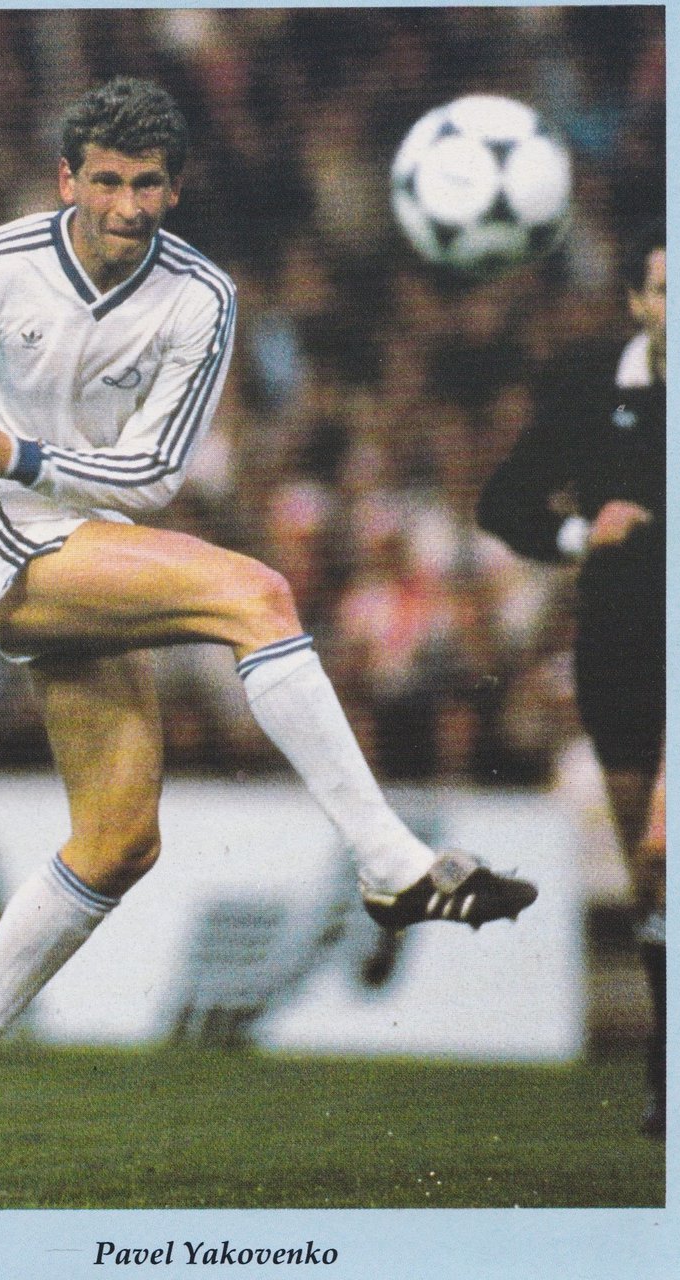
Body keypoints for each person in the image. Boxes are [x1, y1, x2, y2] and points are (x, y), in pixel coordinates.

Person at [0, 77, 537, 1180]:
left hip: (89, 536)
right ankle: (390, 861)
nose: (125, 205)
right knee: (256, 594)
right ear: (67, 180)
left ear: (175, 188)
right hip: (1, 543)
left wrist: (24, 453)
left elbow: (153, 473)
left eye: (146, 184)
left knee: (119, 839)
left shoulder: (200, 295)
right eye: (104, 180)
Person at [478, 219, 666, 1138]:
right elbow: (503, 501)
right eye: (665, 291)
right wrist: (579, 533)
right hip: (621, 645)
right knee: (649, 870)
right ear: (637, 302)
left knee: (666, 847)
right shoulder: (593, 387)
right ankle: (668, 1058)